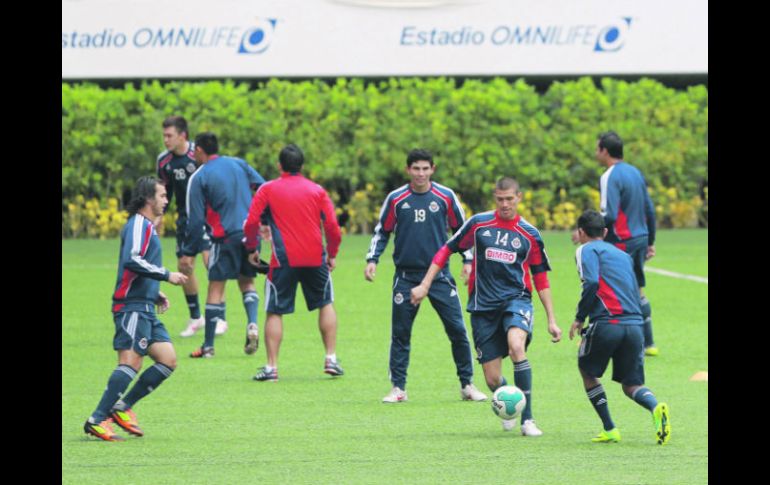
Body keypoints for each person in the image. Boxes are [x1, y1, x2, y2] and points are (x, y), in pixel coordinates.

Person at [411, 177, 562, 435]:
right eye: (500, 199)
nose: (504, 204)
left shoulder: (530, 234)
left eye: (509, 199)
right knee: (492, 379)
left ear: (519, 198)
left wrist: (551, 319)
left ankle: (528, 420)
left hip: (517, 301)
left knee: (517, 347)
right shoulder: (479, 224)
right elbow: (446, 250)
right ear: (495, 198)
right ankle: (507, 401)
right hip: (483, 307)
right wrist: (425, 284)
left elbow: (541, 278)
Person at [364, 148, 486, 403]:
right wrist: (372, 260)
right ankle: (398, 388)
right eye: (416, 168)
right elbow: (382, 231)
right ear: (408, 170)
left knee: (457, 330)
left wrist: (468, 260)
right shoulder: (396, 199)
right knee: (401, 333)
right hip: (406, 278)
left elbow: (462, 231)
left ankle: (467, 384)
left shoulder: (444, 196)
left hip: (440, 276)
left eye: (425, 168)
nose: (421, 173)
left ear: (433, 169)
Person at [84, 176, 188, 441]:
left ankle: (122, 406)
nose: (166, 200)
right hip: (130, 308)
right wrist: (166, 275)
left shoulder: (147, 227)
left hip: (144, 306)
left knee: (167, 360)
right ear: (147, 199)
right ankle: (97, 419)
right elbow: (132, 260)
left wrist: (154, 291)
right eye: (162, 195)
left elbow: (138, 267)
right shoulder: (139, 224)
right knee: (131, 362)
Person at [243, 143, 343, 381]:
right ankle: (331, 358)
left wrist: (250, 248)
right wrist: (332, 253)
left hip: (283, 259)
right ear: (302, 165)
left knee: (275, 310)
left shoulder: (267, 189)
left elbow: (251, 222)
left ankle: (271, 367)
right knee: (325, 302)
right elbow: (332, 226)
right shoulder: (317, 190)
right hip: (314, 257)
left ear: (280, 166)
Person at [569, 210, 670, 445]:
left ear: (581, 232)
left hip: (607, 322)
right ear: (605, 232)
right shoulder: (622, 255)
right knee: (632, 384)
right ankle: (656, 407)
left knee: (588, 371)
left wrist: (579, 318)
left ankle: (610, 428)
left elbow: (592, 281)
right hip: (635, 325)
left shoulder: (585, 249)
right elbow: (637, 292)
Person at [181, 132, 266, 358]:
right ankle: (253, 324)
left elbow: (196, 220)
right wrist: (262, 221)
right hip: (251, 235)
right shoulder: (239, 164)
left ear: (199, 150)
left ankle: (208, 346)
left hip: (224, 238)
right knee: (247, 282)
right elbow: (264, 187)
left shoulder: (200, 177)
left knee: (216, 288)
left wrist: (188, 252)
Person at [156, 116, 223, 338]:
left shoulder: (200, 154)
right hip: (186, 220)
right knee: (184, 267)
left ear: (182, 136)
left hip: (208, 217)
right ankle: (196, 317)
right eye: (164, 135)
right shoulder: (164, 162)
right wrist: (159, 216)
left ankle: (219, 316)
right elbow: (165, 192)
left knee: (210, 261)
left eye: (169, 135)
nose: (165, 140)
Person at [595, 131, 658, 356]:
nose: (596, 153)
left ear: (604, 150)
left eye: (597, 149)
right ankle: (649, 343)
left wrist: (588, 230)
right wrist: (650, 240)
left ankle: (619, 342)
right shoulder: (635, 172)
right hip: (640, 239)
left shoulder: (609, 176)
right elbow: (649, 209)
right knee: (637, 289)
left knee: (609, 287)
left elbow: (609, 214)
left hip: (621, 241)